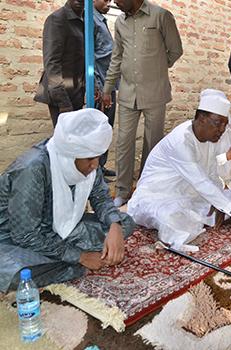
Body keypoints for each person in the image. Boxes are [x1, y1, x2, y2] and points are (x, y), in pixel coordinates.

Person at [0, 109, 135, 293]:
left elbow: (101, 197)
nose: (95, 165)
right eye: (89, 159)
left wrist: (115, 226)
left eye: (98, 157)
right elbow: (24, 235)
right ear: (71, 155)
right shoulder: (32, 169)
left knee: (125, 222)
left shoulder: (88, 163)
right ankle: (67, 265)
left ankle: (61, 262)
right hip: (12, 237)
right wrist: (80, 256)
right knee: (17, 273)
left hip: (64, 227)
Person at [126, 90, 231, 251]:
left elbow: (210, 174)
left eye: (225, 125)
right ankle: (183, 227)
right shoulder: (181, 140)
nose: (222, 130)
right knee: (171, 215)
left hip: (190, 194)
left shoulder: (212, 138)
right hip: (158, 196)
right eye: (218, 123)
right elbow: (201, 182)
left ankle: (200, 217)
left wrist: (218, 202)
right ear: (202, 118)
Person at [102, 0, 183, 207]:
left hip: (155, 92)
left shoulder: (161, 16)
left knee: (152, 142)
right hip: (128, 92)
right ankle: (122, 190)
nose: (115, 3)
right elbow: (117, 57)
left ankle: (147, 187)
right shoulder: (120, 22)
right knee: (123, 141)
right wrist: (107, 88)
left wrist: (156, 66)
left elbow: (175, 50)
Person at [34, 0, 85, 126]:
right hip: (62, 93)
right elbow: (52, 63)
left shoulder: (85, 20)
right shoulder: (57, 19)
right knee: (65, 140)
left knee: (75, 138)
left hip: (76, 91)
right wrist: (63, 101)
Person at [93, 0, 116, 177]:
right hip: (101, 84)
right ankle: (95, 170)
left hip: (109, 82)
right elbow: (91, 57)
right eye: (105, 0)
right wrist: (100, 88)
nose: (109, 3)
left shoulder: (101, 19)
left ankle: (101, 165)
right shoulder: (91, 21)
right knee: (98, 127)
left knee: (106, 126)